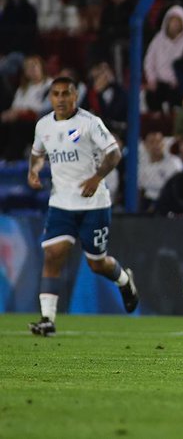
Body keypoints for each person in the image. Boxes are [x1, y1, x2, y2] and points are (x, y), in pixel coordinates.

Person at [26, 76, 138, 337]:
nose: (61, 99)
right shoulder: (43, 125)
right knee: (53, 255)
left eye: (66, 93)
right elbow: (37, 152)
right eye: (56, 94)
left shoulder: (90, 123)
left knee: (97, 264)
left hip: (93, 203)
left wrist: (97, 178)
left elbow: (114, 153)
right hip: (61, 203)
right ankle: (47, 319)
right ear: (50, 97)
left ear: (75, 96)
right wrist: (34, 170)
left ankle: (124, 280)